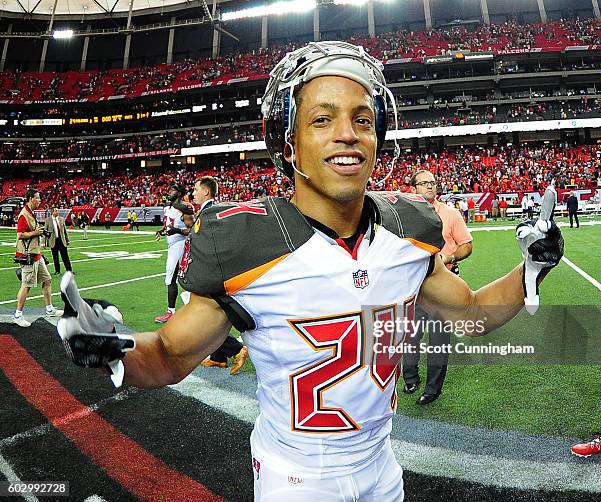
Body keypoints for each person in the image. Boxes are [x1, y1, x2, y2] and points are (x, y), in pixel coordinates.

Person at [56, 42, 563, 501]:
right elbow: (168, 357)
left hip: (382, 464)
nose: (347, 134)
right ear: (289, 143)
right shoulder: (244, 242)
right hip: (296, 476)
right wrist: (112, 349)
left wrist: (530, 270)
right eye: (322, 120)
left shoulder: (409, 228)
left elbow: (467, 313)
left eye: (363, 120)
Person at [402, 170, 473, 405]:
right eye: (424, 183)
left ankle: (432, 389)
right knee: (410, 336)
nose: (430, 187)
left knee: (438, 339)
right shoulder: (405, 215)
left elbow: (466, 246)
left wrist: (448, 258)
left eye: (432, 183)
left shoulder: (451, 214)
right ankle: (410, 378)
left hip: (442, 286)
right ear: (413, 188)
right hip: (414, 286)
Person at [191, 176, 249, 375]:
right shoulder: (212, 210)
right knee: (213, 317)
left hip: (212, 275)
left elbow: (208, 248)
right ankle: (218, 358)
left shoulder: (207, 213)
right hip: (220, 273)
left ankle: (236, 349)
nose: (193, 193)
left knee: (203, 319)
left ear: (206, 191)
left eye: (196, 189)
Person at [14, 189, 63, 327]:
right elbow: (20, 235)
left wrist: (38, 231)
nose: (40, 201)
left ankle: (49, 309)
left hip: (36, 254)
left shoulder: (31, 213)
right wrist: (35, 232)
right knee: (26, 285)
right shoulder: (24, 214)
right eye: (37, 198)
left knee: (47, 280)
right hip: (28, 255)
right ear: (30, 198)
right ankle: (18, 315)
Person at [154, 183, 195, 323]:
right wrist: (162, 231)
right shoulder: (168, 208)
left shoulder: (185, 208)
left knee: (171, 277)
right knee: (178, 277)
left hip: (180, 244)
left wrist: (176, 231)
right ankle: (189, 307)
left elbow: (192, 230)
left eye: (172, 190)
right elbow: (169, 225)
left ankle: (171, 311)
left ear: (179, 193)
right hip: (172, 245)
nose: (169, 192)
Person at [44, 207, 72, 275]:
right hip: (53, 241)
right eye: (56, 211)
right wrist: (44, 243)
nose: (57, 212)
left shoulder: (61, 219)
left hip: (61, 240)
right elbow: (45, 232)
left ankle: (69, 270)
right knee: (55, 257)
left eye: (57, 211)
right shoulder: (48, 220)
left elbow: (65, 231)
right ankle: (57, 270)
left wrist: (67, 240)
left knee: (65, 256)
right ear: (52, 212)